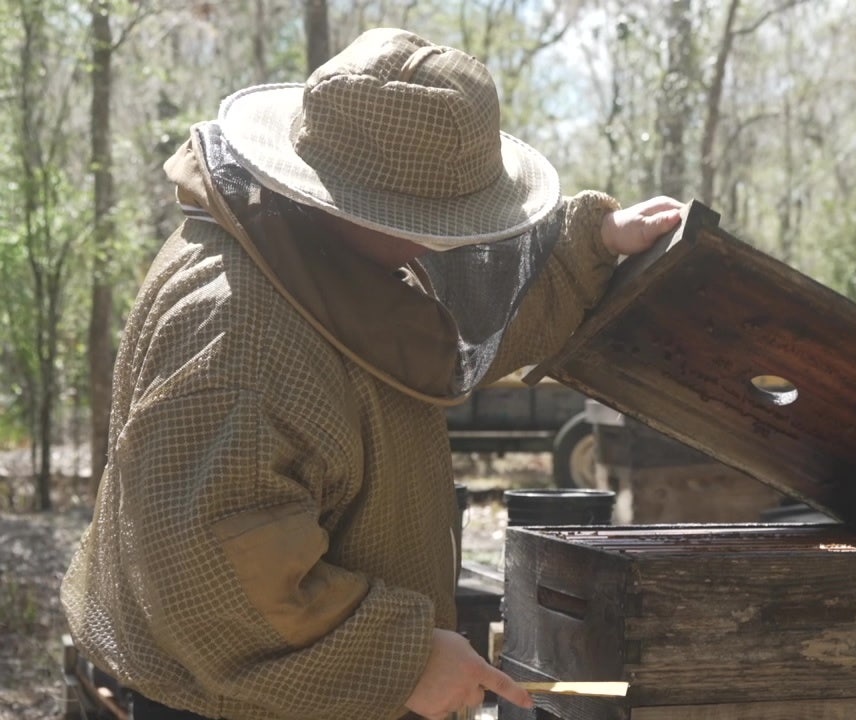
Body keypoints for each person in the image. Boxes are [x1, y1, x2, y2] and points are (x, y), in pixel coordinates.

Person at [61, 27, 682, 720]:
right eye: (447, 219)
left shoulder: (324, 254)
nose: (459, 240)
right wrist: (406, 659)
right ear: (372, 207)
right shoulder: (243, 334)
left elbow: (453, 336)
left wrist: (590, 247)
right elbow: (211, 579)